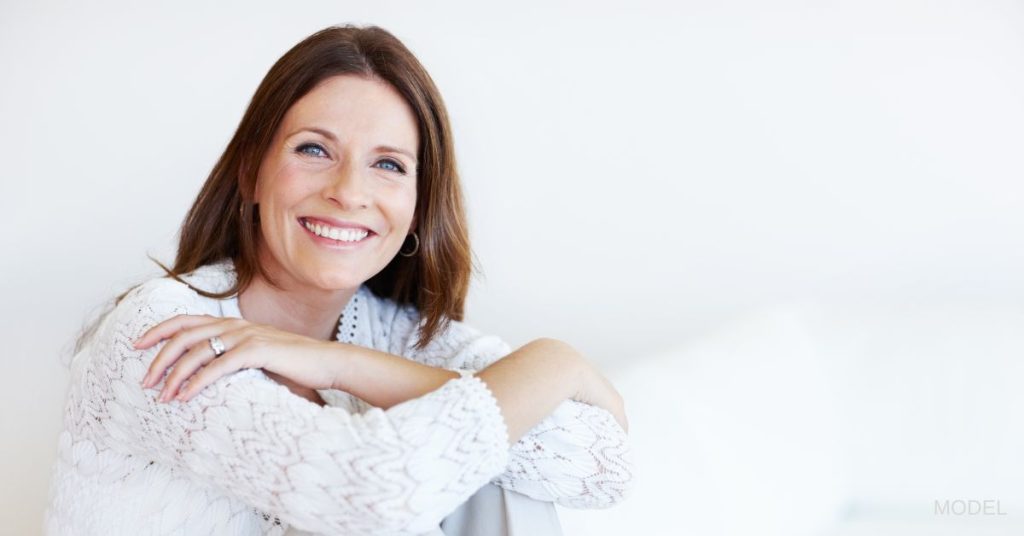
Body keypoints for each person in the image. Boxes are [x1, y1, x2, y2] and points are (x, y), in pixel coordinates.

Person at [43, 24, 633, 535]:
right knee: (449, 450)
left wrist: (338, 364)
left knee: (502, 471)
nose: (348, 192)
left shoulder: (404, 334)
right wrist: (556, 366)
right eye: (314, 150)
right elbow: (370, 496)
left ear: (418, 207)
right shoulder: (162, 331)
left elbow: (602, 465)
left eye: (387, 165)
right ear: (251, 172)